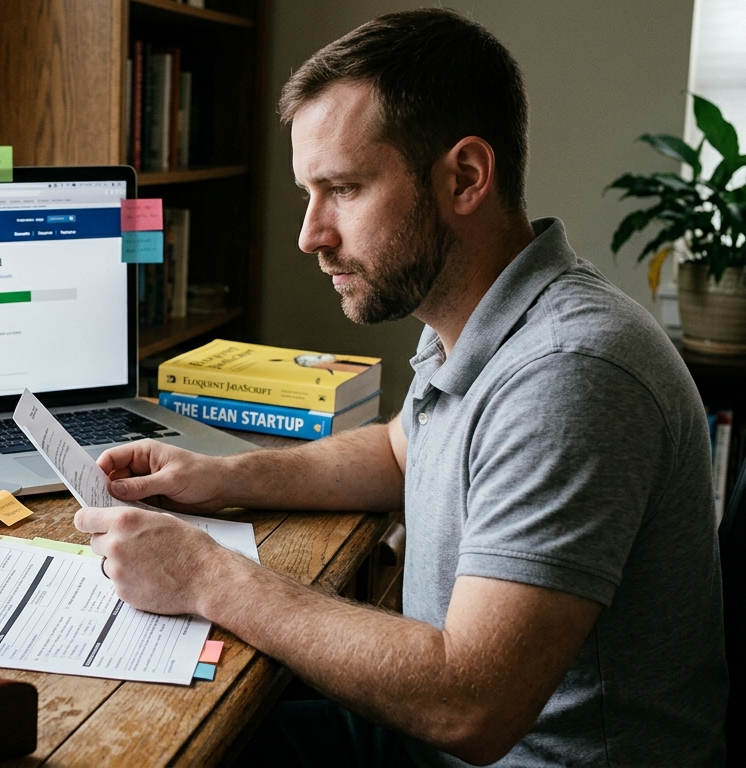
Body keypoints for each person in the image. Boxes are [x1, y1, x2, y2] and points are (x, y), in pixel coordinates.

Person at [76, 8, 727, 766]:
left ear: (465, 177)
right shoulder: (475, 313)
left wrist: (205, 576)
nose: (311, 234)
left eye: (343, 189)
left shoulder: (570, 372)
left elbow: (470, 704)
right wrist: (224, 477)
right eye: (308, 193)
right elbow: (402, 449)